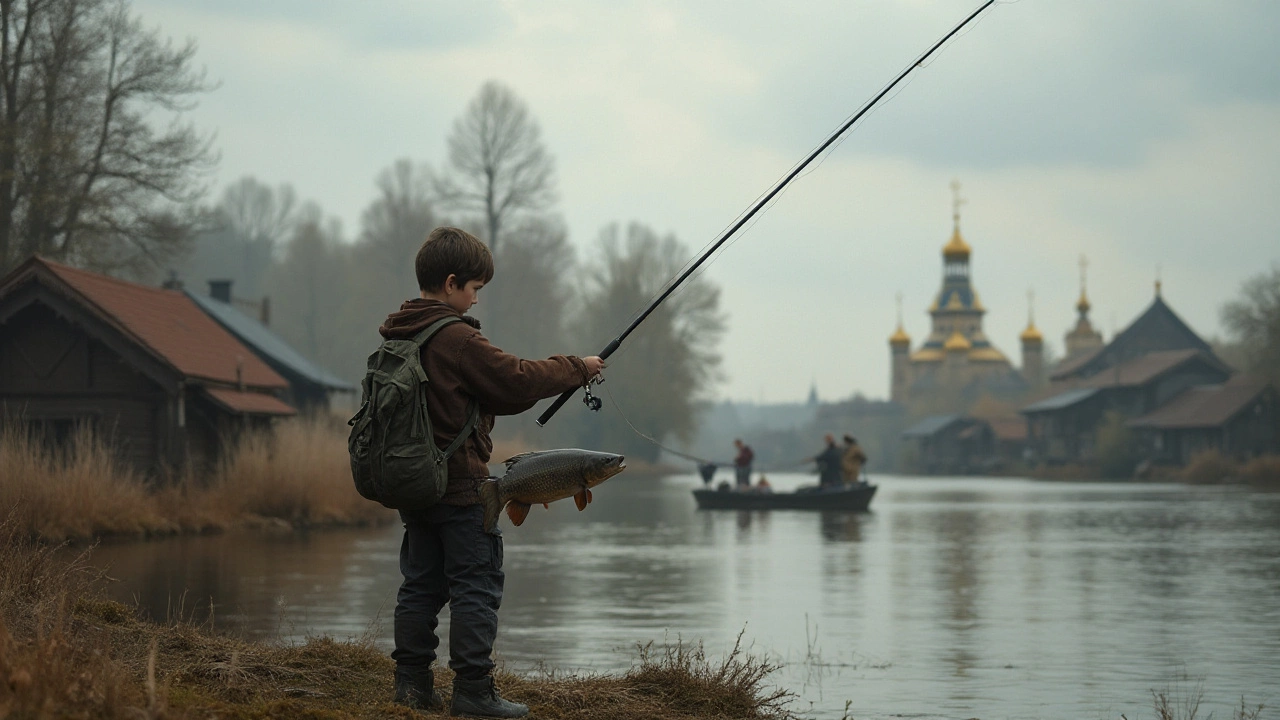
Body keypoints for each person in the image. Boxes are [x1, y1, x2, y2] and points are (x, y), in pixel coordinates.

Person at [380, 227, 605, 718]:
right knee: (476, 585)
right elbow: (516, 380)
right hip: (461, 488)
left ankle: (412, 685)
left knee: (420, 584)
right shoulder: (456, 338)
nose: (476, 297)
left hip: (417, 485)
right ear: (452, 282)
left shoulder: (400, 332)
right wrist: (578, 367)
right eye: (476, 288)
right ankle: (474, 694)